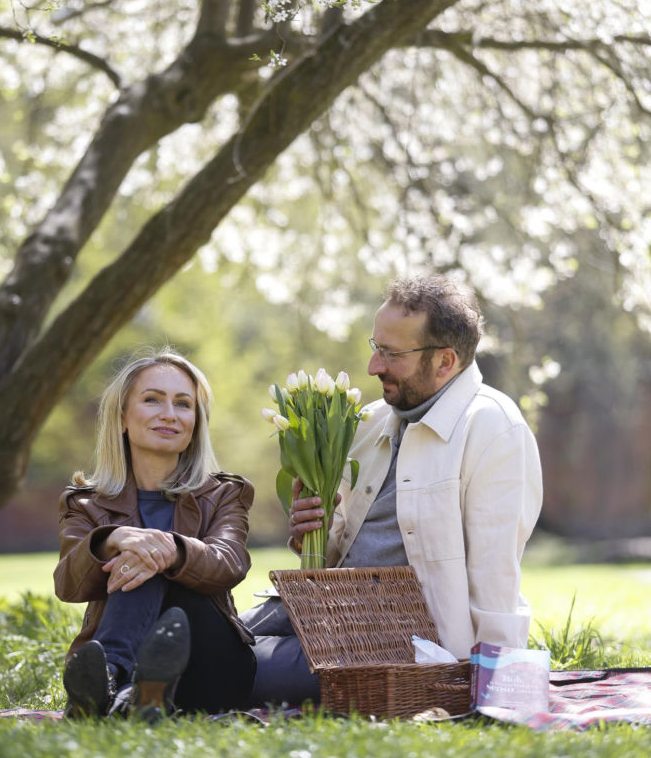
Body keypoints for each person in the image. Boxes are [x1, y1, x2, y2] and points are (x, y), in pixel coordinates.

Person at [242, 273, 543, 706]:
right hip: (322, 607)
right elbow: (335, 552)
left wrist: (493, 688)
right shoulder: (369, 422)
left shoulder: (493, 429)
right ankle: (124, 681)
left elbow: (495, 571)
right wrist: (309, 532)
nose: (373, 366)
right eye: (375, 347)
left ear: (445, 361)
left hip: (394, 642)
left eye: (391, 354)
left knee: (235, 664)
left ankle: (131, 689)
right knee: (210, 631)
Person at [54, 348, 256, 720]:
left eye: (183, 404)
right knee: (139, 552)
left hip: (212, 666)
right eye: (152, 400)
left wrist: (167, 549)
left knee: (147, 559)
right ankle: (127, 697)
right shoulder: (85, 503)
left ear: (196, 422)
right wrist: (111, 539)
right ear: (122, 418)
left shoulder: (225, 494)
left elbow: (229, 561)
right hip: (132, 651)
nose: (169, 414)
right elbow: (68, 584)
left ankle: (107, 681)